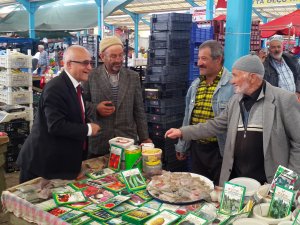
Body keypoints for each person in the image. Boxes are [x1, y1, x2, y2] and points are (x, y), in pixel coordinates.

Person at [166, 54, 300, 186]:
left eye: (236, 75)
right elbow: (215, 125)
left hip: (269, 182)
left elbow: (298, 142)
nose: (231, 80)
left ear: (252, 77)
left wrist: (287, 181)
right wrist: (183, 132)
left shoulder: (284, 99)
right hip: (237, 180)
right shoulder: (236, 100)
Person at [17, 45, 101, 183]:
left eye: (90, 63)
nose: (90, 67)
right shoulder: (56, 88)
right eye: (85, 63)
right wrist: (88, 129)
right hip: (42, 166)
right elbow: (56, 126)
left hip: (59, 163)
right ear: (69, 64)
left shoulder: (76, 87)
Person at [174, 40, 234, 185]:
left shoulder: (232, 85)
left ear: (218, 59)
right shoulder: (195, 85)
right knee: (197, 190)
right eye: (199, 58)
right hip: (197, 150)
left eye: (204, 59)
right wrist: (182, 145)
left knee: (220, 191)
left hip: (220, 150)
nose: (199, 63)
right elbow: (188, 117)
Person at [83, 36, 151, 158]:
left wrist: (144, 138)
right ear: (102, 56)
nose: (119, 60)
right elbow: (81, 105)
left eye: (121, 55)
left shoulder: (133, 77)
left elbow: (139, 110)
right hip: (100, 142)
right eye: (113, 56)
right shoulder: (91, 77)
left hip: (127, 141)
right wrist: (96, 108)